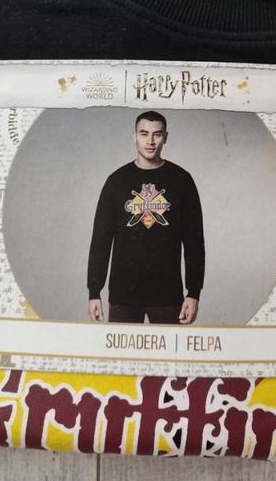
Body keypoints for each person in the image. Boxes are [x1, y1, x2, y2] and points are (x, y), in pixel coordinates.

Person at [87, 111, 205, 324]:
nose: (150, 141)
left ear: (165, 137)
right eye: (144, 134)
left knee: (171, 347)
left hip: (168, 294)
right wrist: (94, 291)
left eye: (157, 134)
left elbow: (194, 241)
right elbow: (100, 239)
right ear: (134, 136)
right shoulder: (116, 181)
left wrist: (194, 292)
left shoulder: (182, 180)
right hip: (123, 294)